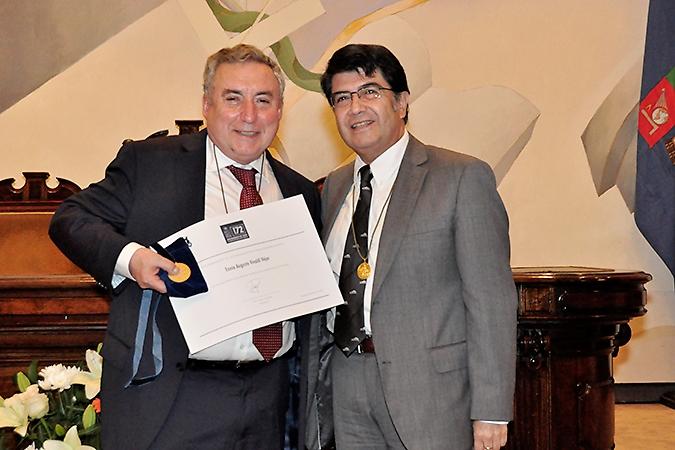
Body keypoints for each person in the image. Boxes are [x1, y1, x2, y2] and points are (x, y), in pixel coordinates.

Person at [49, 44, 320, 450]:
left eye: (263, 100)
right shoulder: (152, 164)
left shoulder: (301, 192)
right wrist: (133, 260)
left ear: (280, 110)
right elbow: (70, 219)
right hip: (175, 396)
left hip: (269, 401)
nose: (249, 115)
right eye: (233, 99)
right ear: (206, 105)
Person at [316, 43, 517, 450]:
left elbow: (490, 300)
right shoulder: (334, 187)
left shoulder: (461, 177)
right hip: (348, 380)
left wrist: (491, 411)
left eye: (370, 91)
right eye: (342, 98)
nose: (356, 107)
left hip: (433, 393)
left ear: (403, 102)